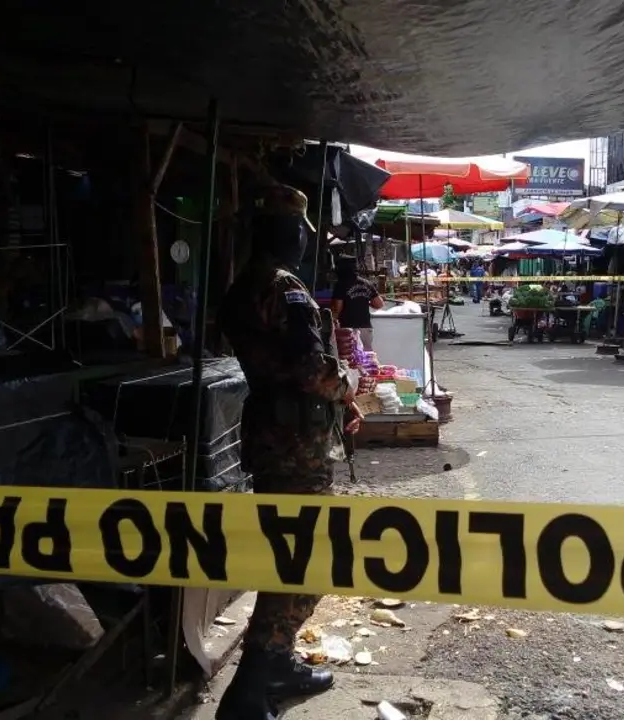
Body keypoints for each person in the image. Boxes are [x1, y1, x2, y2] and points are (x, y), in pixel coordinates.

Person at [216, 184, 363, 720]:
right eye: (302, 231)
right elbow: (309, 370)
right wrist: (347, 381)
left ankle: (275, 661)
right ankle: (253, 686)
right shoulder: (285, 288)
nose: (306, 240)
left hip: (274, 437)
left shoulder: (243, 286)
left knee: (294, 554)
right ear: (290, 234)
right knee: (304, 559)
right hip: (295, 445)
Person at [331, 257, 383, 350]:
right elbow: (379, 304)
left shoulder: (340, 285)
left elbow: (337, 308)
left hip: (348, 329)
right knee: (367, 359)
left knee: (351, 360)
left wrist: (332, 322)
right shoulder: (366, 283)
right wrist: (366, 301)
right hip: (365, 328)